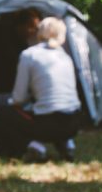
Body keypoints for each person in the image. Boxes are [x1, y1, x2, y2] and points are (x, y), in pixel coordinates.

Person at [8, 16, 82, 161]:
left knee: (7, 113)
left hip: (47, 123)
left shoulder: (29, 55)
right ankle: (67, 143)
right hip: (74, 122)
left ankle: (36, 146)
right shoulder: (66, 57)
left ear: (39, 32)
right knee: (55, 112)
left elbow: (19, 98)